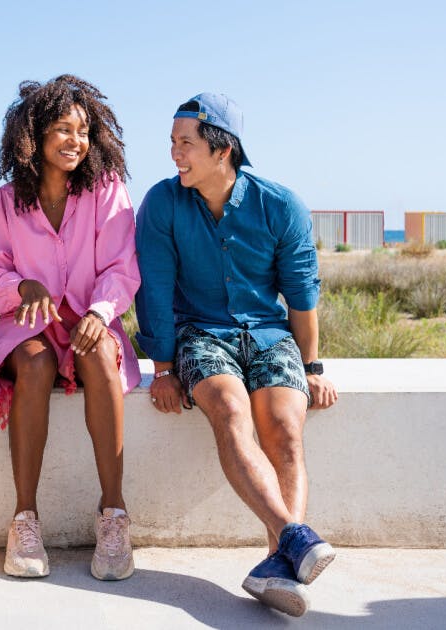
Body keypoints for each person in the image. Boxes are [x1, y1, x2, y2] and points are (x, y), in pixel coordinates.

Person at [135, 92, 339, 617]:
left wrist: (312, 367)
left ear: (222, 149)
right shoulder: (161, 203)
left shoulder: (281, 205)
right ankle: (297, 541)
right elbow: (154, 288)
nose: (175, 155)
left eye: (186, 144)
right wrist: (161, 367)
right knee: (229, 410)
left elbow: (301, 293)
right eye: (173, 144)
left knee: (286, 430)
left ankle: (280, 563)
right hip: (200, 334)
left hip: (269, 335)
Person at [0, 75, 140, 581]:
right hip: (28, 326)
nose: (75, 140)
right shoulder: (5, 202)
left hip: (92, 318)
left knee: (99, 357)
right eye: (62, 129)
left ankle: (114, 515)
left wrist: (100, 313)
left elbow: (120, 266)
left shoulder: (106, 191)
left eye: (83, 130)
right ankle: (24, 520)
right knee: (36, 362)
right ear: (34, 137)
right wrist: (22, 288)